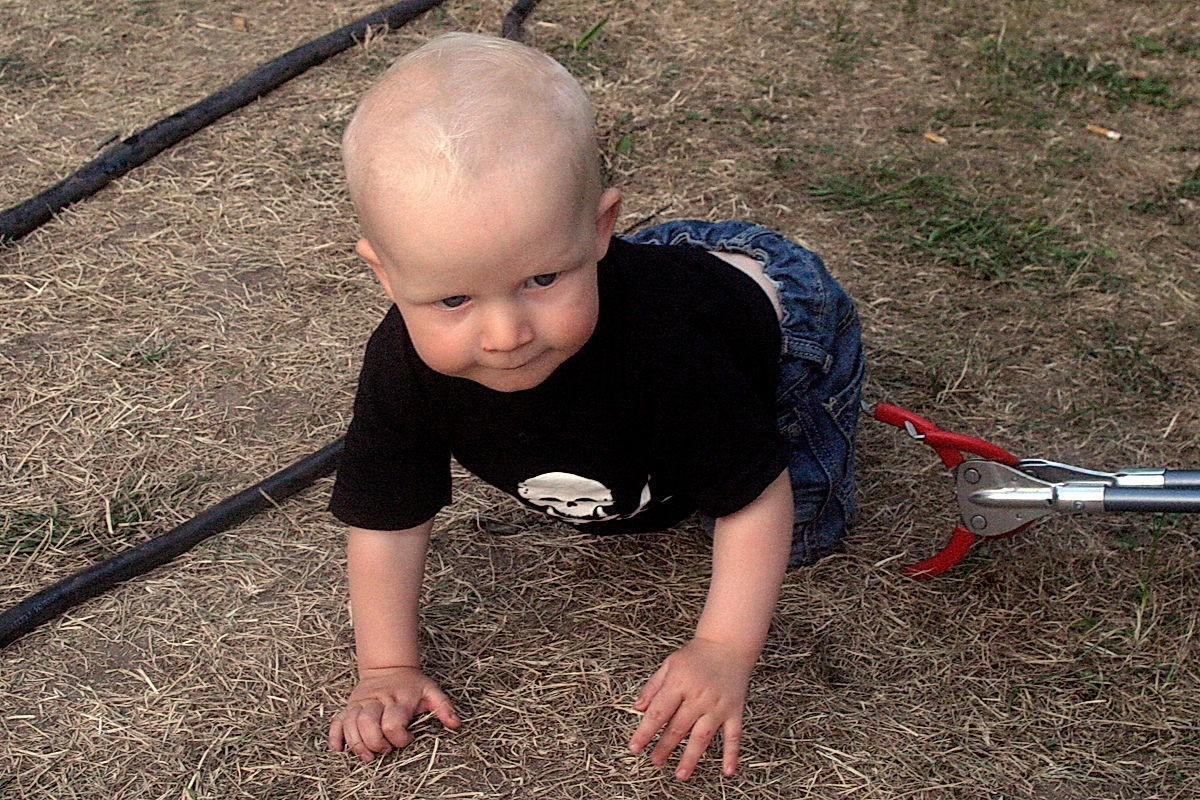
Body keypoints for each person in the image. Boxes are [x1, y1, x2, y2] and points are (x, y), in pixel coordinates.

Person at [326, 32, 863, 781]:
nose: (505, 334)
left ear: (600, 228)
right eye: (453, 299)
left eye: (540, 280)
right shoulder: (401, 364)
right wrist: (386, 666)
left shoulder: (668, 349)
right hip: (637, 271)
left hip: (780, 326)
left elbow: (756, 498)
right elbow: (387, 515)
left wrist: (722, 649)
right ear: (385, 274)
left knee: (797, 529)